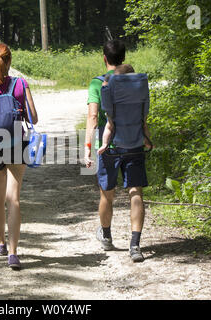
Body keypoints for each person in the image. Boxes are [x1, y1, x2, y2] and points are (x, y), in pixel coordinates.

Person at [84, 40, 153, 263]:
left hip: (110, 147)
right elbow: (144, 114)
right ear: (124, 57)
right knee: (136, 192)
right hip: (134, 142)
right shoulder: (137, 82)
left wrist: (87, 148)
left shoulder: (98, 84)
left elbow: (93, 118)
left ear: (104, 58)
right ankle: (135, 244)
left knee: (107, 193)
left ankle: (106, 235)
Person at [0, 43, 38, 270]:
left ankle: (0, 242)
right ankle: (13, 253)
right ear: (9, 61)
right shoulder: (21, 84)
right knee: (14, 199)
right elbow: (34, 117)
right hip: (16, 144)